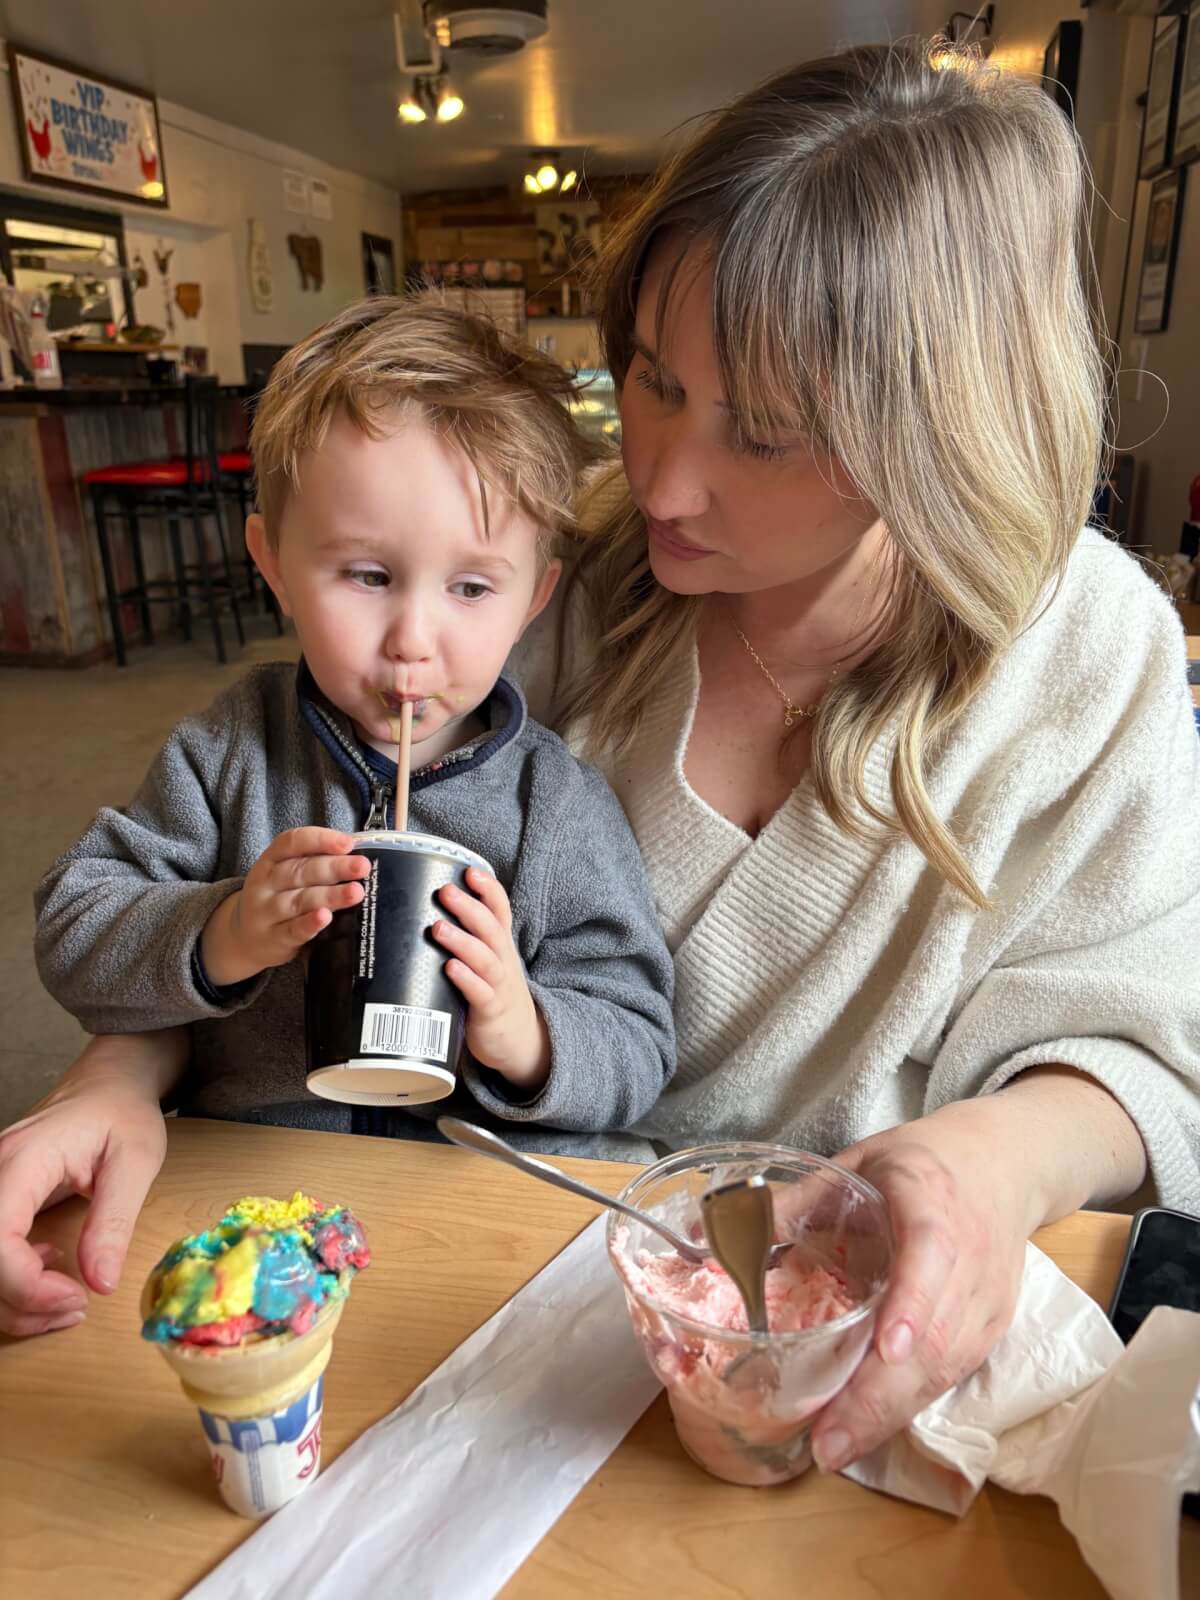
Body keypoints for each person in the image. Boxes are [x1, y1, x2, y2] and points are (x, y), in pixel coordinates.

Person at [5, 39, 1199, 1480]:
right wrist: (120, 1072)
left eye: (763, 432)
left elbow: (1141, 1046)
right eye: (647, 377)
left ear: (937, 441)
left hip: (822, 1327)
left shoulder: (1083, 652)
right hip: (463, 1248)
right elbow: (265, 845)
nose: (660, 479)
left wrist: (989, 1167)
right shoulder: (536, 575)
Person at [25, 297, 675, 1299]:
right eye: (367, 575)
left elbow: (638, 1038)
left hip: (474, 1208)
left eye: (471, 588)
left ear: (535, 597)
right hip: (257, 1191)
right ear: (273, 565)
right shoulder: (230, 752)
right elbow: (74, 923)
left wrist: (524, 1027)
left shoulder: (558, 803)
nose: (414, 639)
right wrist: (221, 928)